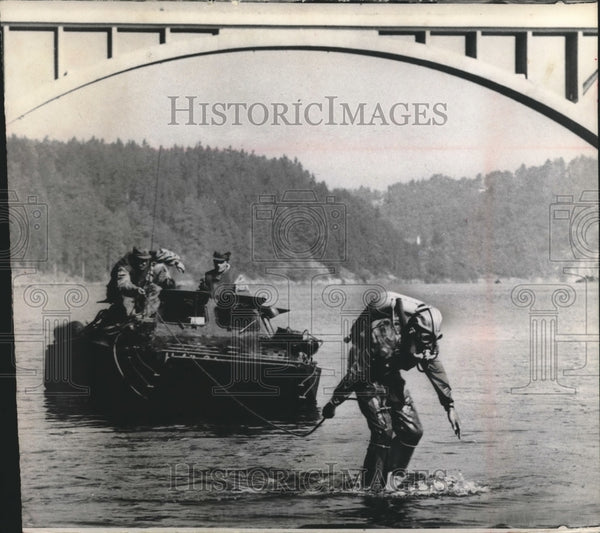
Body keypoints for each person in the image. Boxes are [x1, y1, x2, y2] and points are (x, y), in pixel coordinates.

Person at [321, 291, 461, 491]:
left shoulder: (425, 341)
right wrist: (333, 403)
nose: (424, 350)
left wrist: (450, 406)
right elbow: (357, 372)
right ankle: (371, 487)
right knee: (382, 431)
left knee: (413, 431)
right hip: (366, 376)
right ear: (411, 333)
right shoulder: (383, 338)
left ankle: (393, 478)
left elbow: (433, 368)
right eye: (420, 343)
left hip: (389, 374)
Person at [105, 246, 185, 320]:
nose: (142, 263)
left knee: (157, 281)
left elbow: (165, 254)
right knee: (126, 313)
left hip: (142, 285)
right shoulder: (125, 264)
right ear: (134, 259)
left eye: (145, 261)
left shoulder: (152, 254)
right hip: (121, 290)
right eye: (139, 260)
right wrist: (135, 289)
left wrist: (177, 262)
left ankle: (149, 314)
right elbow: (123, 284)